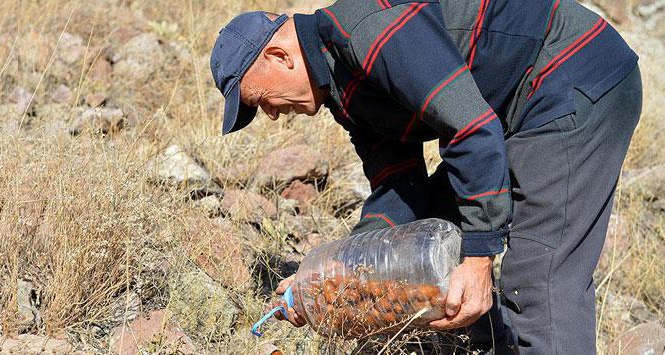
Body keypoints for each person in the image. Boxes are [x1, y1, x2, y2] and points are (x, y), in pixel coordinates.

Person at [209, 0, 642, 353]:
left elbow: (470, 130)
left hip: (572, 76)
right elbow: (400, 187)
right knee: (429, 243)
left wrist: (478, 258)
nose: (268, 114)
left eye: (260, 99)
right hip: (512, 111)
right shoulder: (344, 93)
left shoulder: (367, 30)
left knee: (538, 278)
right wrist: (340, 271)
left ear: (279, 56)